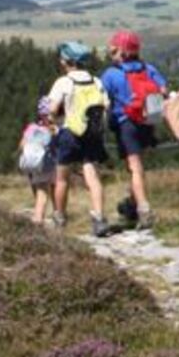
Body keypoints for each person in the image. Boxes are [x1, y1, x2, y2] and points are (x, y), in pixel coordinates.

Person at [43, 42, 114, 236]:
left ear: (68, 61)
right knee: (92, 177)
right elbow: (106, 105)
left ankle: (59, 218)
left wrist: (52, 122)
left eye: (62, 58)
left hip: (69, 133)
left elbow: (51, 110)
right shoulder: (96, 81)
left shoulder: (63, 82)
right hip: (92, 134)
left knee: (62, 179)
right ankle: (99, 218)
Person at [98, 30, 163, 233]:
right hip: (147, 121)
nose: (111, 54)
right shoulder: (149, 69)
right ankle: (132, 206)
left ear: (123, 52)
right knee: (138, 168)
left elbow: (101, 98)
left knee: (134, 168)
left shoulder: (111, 74)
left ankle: (144, 209)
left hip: (126, 124)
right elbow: (163, 90)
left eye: (113, 50)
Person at [22, 95, 65, 229]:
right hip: (48, 164)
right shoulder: (55, 129)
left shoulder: (32, 127)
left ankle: (49, 215)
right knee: (46, 192)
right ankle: (39, 219)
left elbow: (22, 145)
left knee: (40, 190)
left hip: (31, 164)